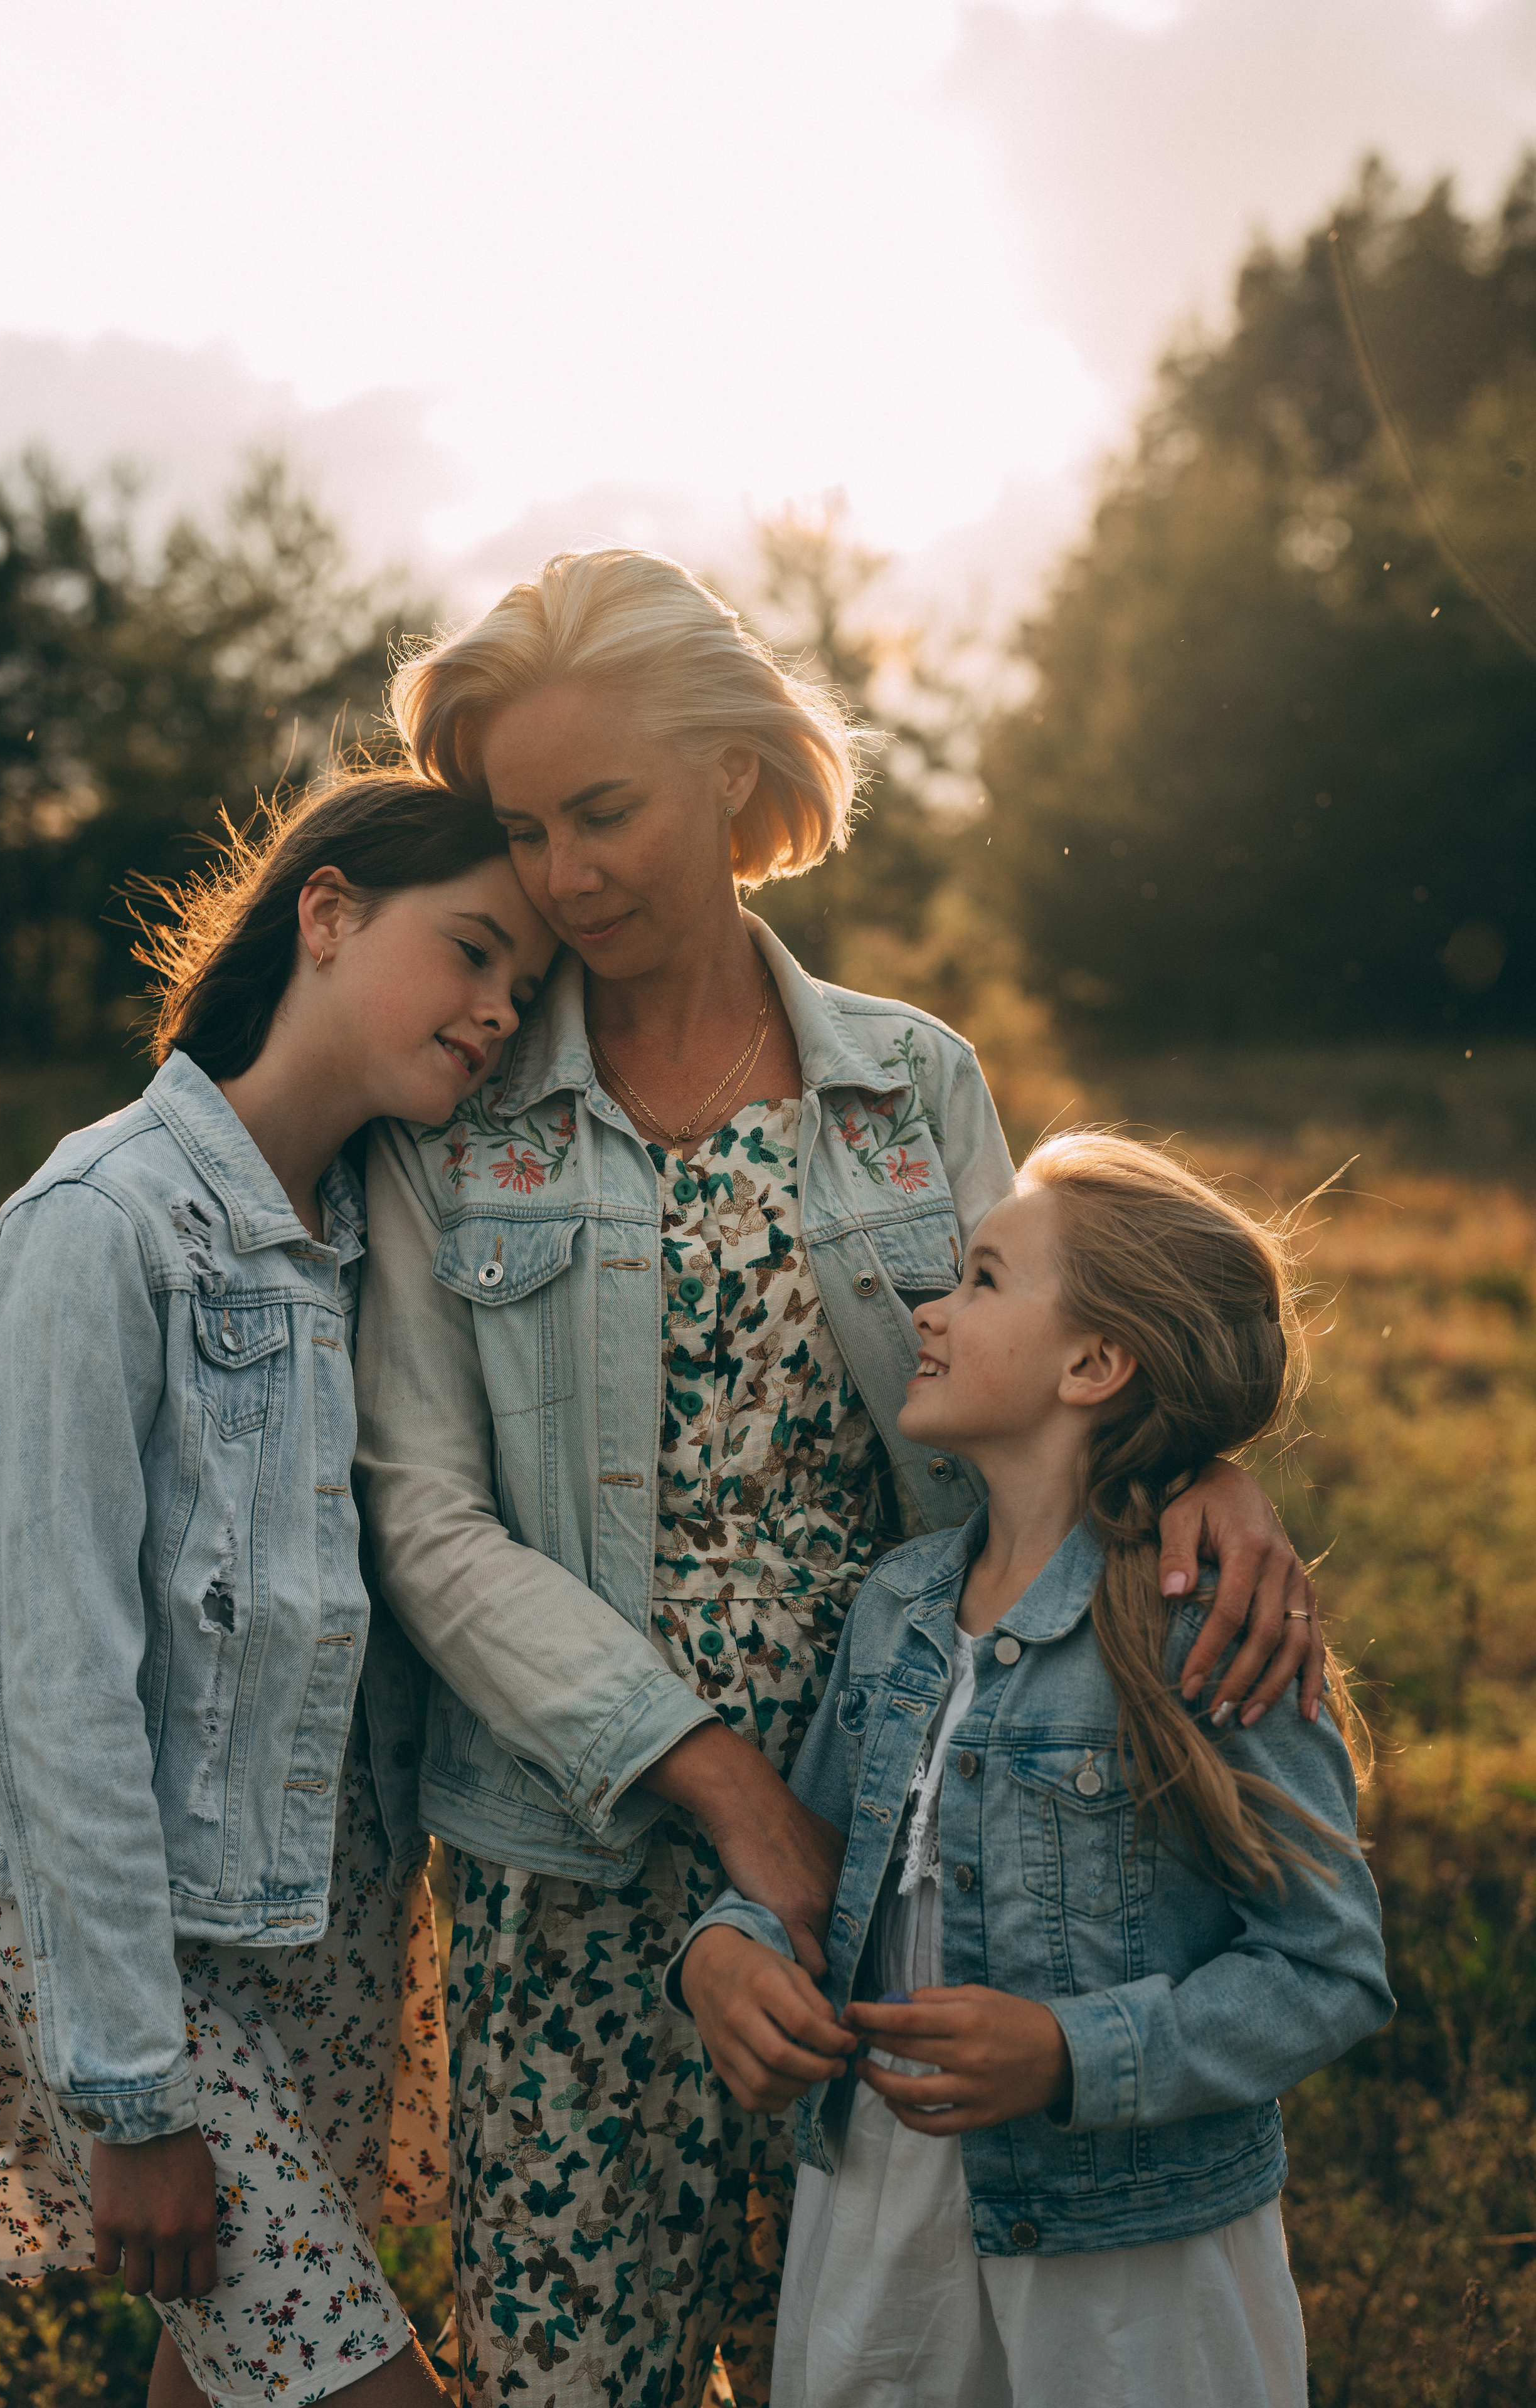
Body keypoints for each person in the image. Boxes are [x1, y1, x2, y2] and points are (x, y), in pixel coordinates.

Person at [352, 548, 1328, 2408]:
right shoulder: (453, 1107)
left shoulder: (905, 1085)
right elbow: (425, 1520)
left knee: (881, 2361)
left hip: (916, 1855)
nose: (564, 877)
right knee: (577, 2377)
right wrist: (723, 1788)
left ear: (730, 769)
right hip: (577, 1867)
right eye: (525, 830)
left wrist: (1200, 1471)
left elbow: (1048, 1366)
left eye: (605, 812)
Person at [0, 770, 558, 2408]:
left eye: (524, 986)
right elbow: (52, 1684)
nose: (500, 1012)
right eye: (473, 951)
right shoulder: (98, 1228)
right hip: (154, 1960)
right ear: (327, 913)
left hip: (337, 1928)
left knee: (225, 2382)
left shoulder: (381, 1236)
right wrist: (134, 2093)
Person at [672, 1131, 1393, 2408]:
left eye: (983, 1280)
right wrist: (727, 1951)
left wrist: (1071, 2053)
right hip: (882, 2211)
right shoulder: (898, 1606)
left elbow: (1326, 1968)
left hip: (1127, 2252)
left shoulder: (1200, 1629)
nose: (929, 1310)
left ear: (1093, 1364)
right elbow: (821, 1874)